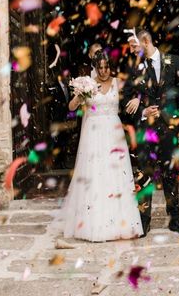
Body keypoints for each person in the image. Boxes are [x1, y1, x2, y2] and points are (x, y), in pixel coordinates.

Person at [57, 52, 143, 243]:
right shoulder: (87, 83)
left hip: (113, 133)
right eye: (100, 67)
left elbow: (137, 91)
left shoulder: (118, 83)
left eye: (107, 67)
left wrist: (137, 99)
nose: (104, 71)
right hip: (93, 134)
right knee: (95, 175)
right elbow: (71, 108)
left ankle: (120, 223)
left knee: (115, 175)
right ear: (95, 66)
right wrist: (80, 95)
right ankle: (93, 224)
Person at [134, 29, 179, 236]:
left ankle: (175, 220)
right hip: (147, 129)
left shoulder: (173, 60)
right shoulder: (137, 66)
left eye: (137, 44)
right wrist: (143, 110)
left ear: (145, 41)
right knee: (145, 175)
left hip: (169, 128)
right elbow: (128, 95)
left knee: (170, 173)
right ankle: (144, 221)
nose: (134, 49)